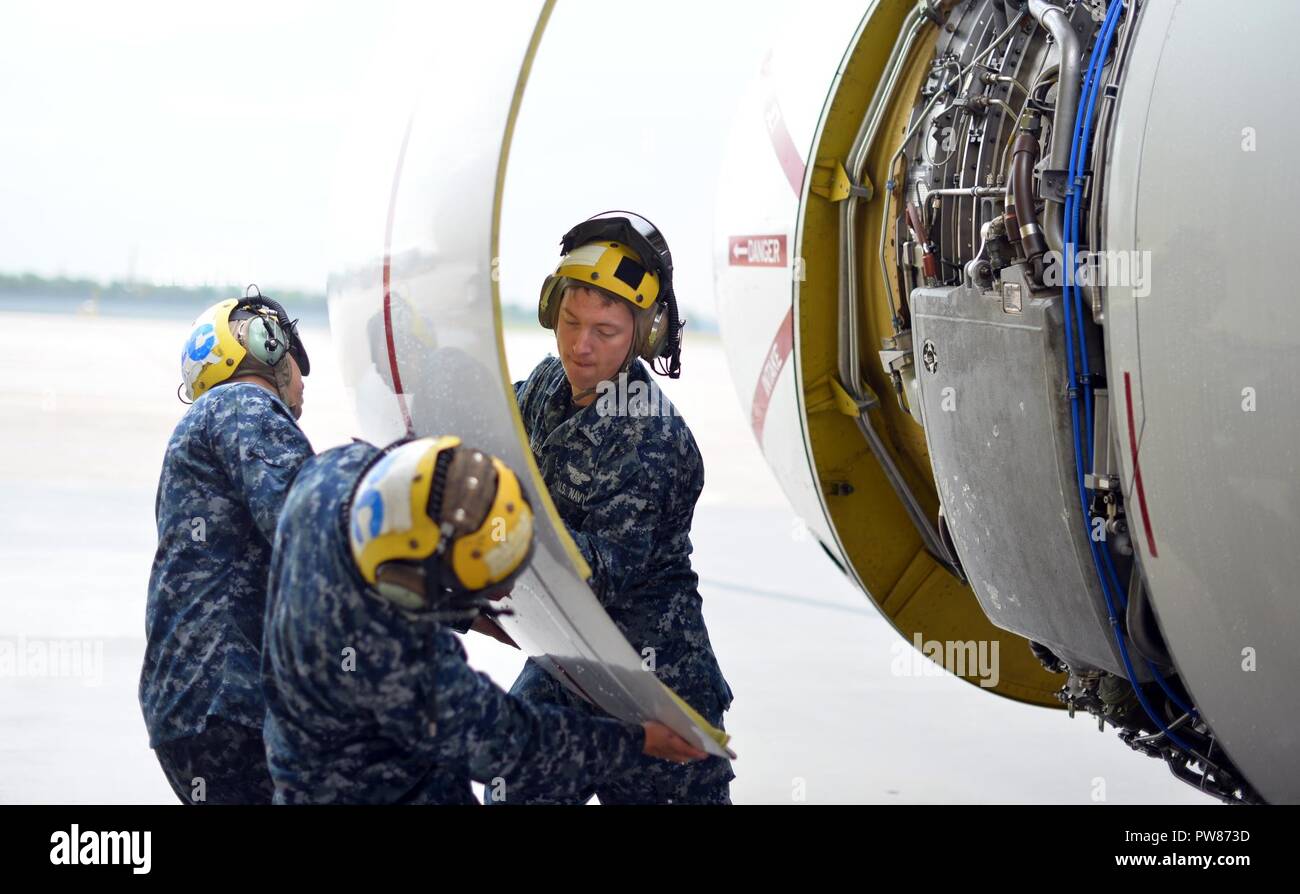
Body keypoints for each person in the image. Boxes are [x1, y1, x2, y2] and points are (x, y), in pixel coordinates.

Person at [261, 435, 707, 804]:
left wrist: (470, 612)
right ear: (424, 584)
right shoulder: (396, 654)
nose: (509, 591)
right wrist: (635, 741)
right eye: (491, 582)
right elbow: (503, 741)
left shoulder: (335, 475)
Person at [495, 212, 734, 804]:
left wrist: (493, 530)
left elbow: (597, 571)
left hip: (657, 688)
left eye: (604, 331)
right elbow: (492, 441)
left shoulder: (649, 431)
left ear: (643, 335)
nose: (580, 346)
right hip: (571, 661)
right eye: (571, 322)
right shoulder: (548, 386)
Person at [139, 288, 312, 804]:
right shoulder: (245, 404)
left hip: (194, 705)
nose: (304, 387)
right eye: (302, 365)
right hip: (232, 701)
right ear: (269, 344)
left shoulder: (204, 424)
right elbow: (312, 531)